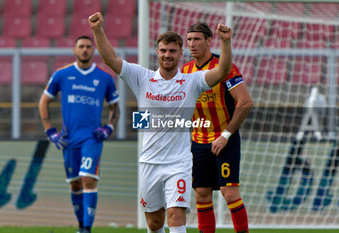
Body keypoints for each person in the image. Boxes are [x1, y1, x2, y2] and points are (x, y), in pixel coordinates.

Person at [88, 12, 232, 233]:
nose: (167, 55)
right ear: (157, 52)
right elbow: (111, 60)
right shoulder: (142, 78)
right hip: (149, 163)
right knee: (154, 224)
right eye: (163, 50)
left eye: (172, 51)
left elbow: (222, 70)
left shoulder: (191, 81)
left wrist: (225, 42)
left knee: (176, 217)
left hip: (179, 164)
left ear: (180, 54)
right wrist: (97, 29)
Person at [38, 35, 120, 233]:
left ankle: (86, 229)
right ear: (75, 50)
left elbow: (115, 108)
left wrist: (108, 128)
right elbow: (43, 102)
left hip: (91, 138)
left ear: (94, 50)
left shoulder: (104, 78)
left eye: (88, 47)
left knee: (88, 180)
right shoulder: (62, 74)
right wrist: (50, 131)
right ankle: (81, 225)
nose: (84, 50)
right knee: (75, 184)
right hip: (68, 139)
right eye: (81, 46)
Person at [181, 22, 253, 233]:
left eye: (197, 39)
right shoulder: (185, 70)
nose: (192, 44)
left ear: (208, 41)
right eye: (189, 40)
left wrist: (226, 135)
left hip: (224, 140)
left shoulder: (224, 67)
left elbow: (245, 102)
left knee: (229, 193)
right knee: (201, 194)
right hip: (198, 142)